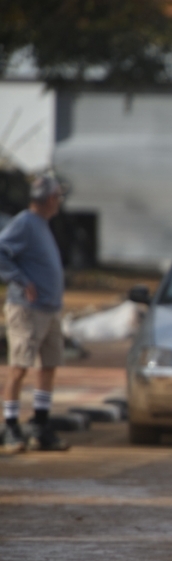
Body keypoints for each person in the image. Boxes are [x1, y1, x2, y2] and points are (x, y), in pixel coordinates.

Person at [0, 176, 70, 453]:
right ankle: (11, 426)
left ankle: (40, 424)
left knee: (48, 365)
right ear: (50, 199)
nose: (59, 202)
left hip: (49, 310)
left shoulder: (41, 225)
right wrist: (20, 279)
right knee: (19, 367)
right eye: (58, 197)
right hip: (27, 310)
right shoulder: (25, 222)